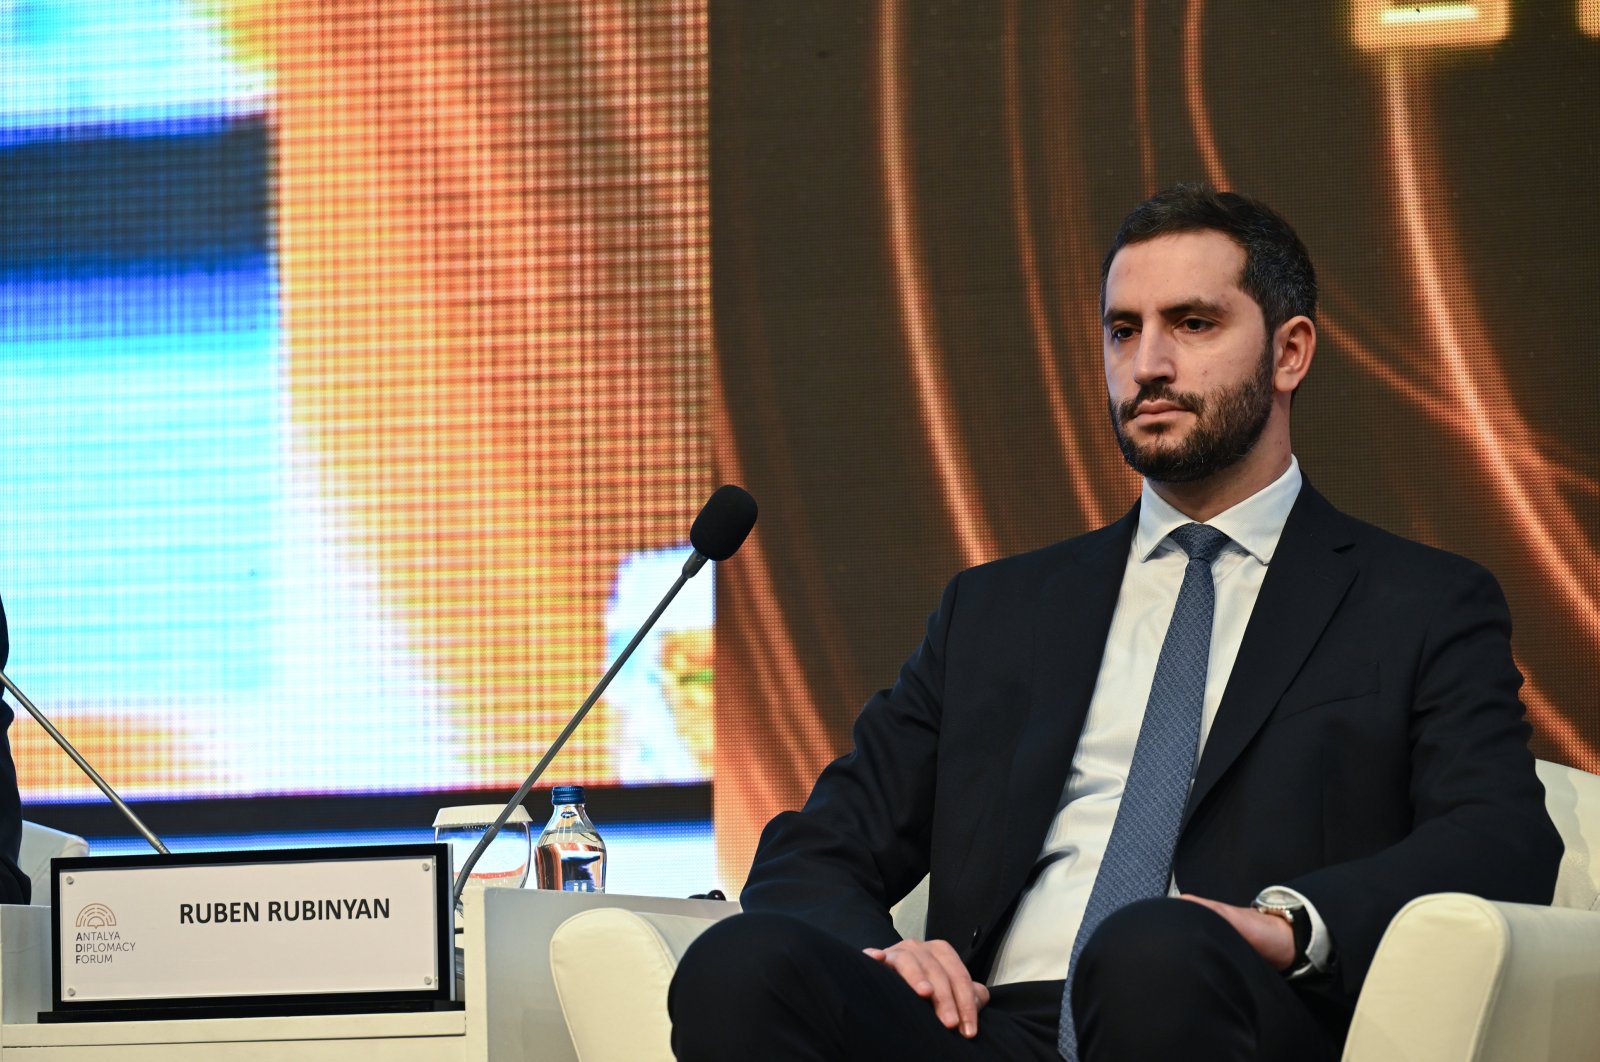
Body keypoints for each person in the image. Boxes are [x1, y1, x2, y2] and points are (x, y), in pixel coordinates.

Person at [669, 184, 1560, 1060]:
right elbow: (816, 850)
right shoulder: (999, 610)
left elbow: (1500, 837)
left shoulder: (1417, 601)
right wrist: (890, 952)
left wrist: (1286, 923)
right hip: (990, 1026)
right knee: (739, 965)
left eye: (1194, 325)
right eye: (1123, 331)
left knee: (1151, 949)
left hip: (1227, 1009)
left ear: (1291, 353)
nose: (1148, 366)